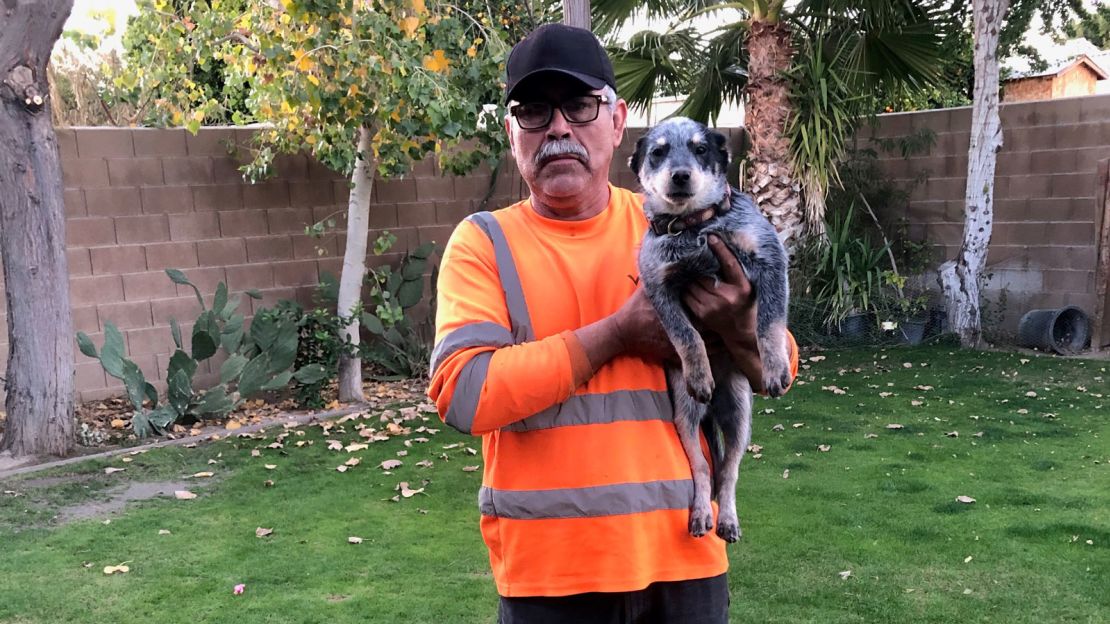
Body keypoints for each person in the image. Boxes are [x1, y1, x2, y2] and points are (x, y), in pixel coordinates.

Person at [427, 23, 799, 624]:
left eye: (579, 105)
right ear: (511, 133)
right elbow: (465, 395)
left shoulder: (684, 224)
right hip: (551, 576)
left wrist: (736, 326)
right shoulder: (483, 244)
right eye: (533, 112)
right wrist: (617, 333)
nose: (558, 128)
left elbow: (778, 369)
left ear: (618, 119)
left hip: (687, 560)